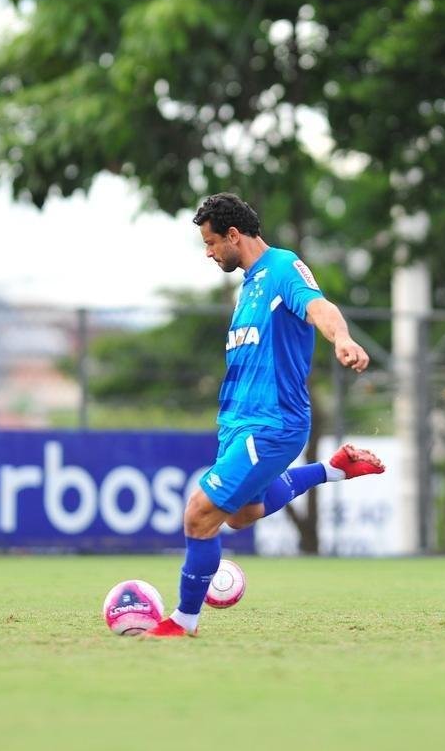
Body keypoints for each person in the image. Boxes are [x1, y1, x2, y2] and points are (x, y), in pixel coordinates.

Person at [147, 193, 385, 637]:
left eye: (212, 242)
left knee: (199, 514)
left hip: (273, 424)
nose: (208, 252)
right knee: (240, 514)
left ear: (234, 235)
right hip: (237, 424)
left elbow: (320, 307)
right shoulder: (248, 285)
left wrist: (342, 339)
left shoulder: (281, 269)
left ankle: (184, 620)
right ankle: (332, 470)